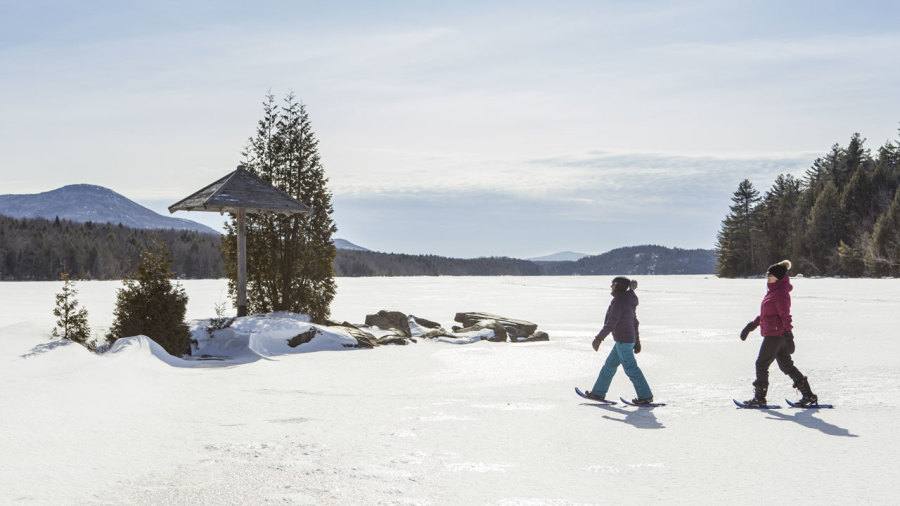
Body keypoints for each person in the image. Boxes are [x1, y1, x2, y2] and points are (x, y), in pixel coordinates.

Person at [739, 260, 818, 407]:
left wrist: (789, 334)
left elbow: (785, 315)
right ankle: (809, 396)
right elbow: (766, 314)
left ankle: (759, 399)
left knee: (761, 364)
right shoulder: (773, 292)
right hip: (776, 333)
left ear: (779, 277)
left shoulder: (780, 293)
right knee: (787, 367)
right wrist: (752, 326)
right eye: (767, 274)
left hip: (775, 335)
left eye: (770, 274)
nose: (767, 276)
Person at [583, 276, 654, 404]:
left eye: (613, 284)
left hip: (624, 341)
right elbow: (635, 322)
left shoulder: (619, 301)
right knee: (609, 366)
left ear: (618, 286)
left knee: (631, 368)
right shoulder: (627, 300)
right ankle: (598, 393)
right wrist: (636, 341)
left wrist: (599, 338)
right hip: (624, 340)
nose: (611, 287)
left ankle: (645, 396)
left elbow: (611, 324)